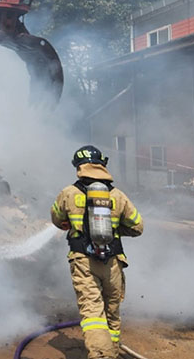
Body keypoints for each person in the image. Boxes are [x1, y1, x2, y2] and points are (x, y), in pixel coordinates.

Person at [50, 145, 144, 359]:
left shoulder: (68, 193)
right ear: (102, 166)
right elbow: (138, 227)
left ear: (79, 167)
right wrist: (114, 229)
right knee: (112, 313)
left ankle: (102, 356)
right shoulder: (117, 196)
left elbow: (56, 219)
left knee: (93, 314)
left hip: (84, 262)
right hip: (113, 262)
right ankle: (112, 351)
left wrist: (71, 224)